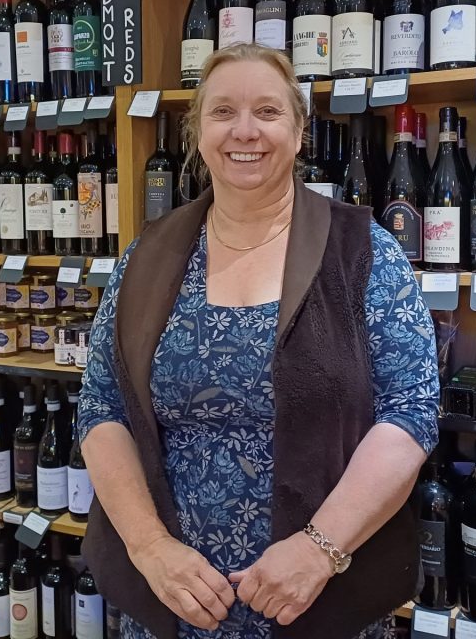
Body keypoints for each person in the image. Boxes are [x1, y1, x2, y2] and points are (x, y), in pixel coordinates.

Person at [78, 43, 439, 639]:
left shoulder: (362, 251)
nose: (245, 131)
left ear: (299, 133)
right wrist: (148, 547)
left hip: (319, 598)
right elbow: (101, 407)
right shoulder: (148, 256)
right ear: (198, 134)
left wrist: (319, 550)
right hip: (173, 599)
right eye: (223, 112)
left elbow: (411, 412)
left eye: (268, 111)